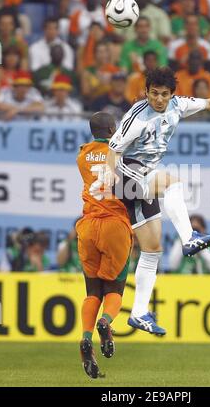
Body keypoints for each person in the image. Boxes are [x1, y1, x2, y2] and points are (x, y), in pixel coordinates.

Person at [90, 67, 210, 335]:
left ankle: (139, 313)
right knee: (172, 182)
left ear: (172, 94)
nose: (159, 99)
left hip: (143, 176)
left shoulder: (179, 105)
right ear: (146, 92)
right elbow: (113, 149)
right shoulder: (137, 117)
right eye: (154, 93)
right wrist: (109, 175)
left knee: (152, 250)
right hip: (128, 172)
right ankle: (189, 237)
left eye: (164, 94)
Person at [76, 112, 133, 379]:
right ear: (113, 128)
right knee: (115, 289)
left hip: (88, 226)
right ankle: (105, 322)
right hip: (114, 224)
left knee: (92, 291)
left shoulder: (82, 155)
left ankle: (86, 336)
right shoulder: (121, 153)